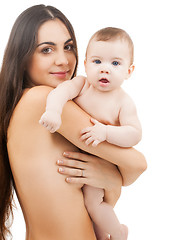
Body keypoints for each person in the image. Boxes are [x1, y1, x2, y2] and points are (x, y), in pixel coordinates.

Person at [0, 4, 147, 240]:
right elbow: (137, 164)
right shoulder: (42, 101)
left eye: (68, 47)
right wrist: (114, 177)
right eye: (46, 50)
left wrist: (110, 181)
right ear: (23, 57)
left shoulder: (43, 105)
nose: (63, 61)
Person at [39, 27, 142, 239]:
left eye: (115, 63)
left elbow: (134, 134)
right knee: (83, 211)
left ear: (128, 71)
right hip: (75, 160)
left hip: (100, 160)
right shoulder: (82, 84)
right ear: (85, 64)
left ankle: (118, 233)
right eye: (97, 62)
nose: (105, 69)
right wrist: (53, 111)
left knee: (94, 205)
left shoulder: (123, 102)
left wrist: (106, 132)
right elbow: (60, 92)